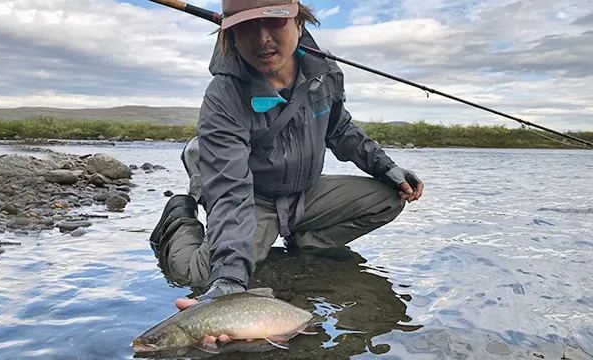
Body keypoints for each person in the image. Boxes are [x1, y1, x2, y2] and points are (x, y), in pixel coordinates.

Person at [149, 0, 423, 334]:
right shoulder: (222, 96)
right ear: (230, 36)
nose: (262, 39)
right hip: (254, 198)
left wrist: (386, 168)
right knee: (201, 277)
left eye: (274, 23)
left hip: (306, 191)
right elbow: (231, 192)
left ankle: (303, 240)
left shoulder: (326, 71)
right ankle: (179, 218)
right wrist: (230, 282)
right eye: (246, 27)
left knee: (389, 197)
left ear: (299, 23)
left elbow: (339, 128)